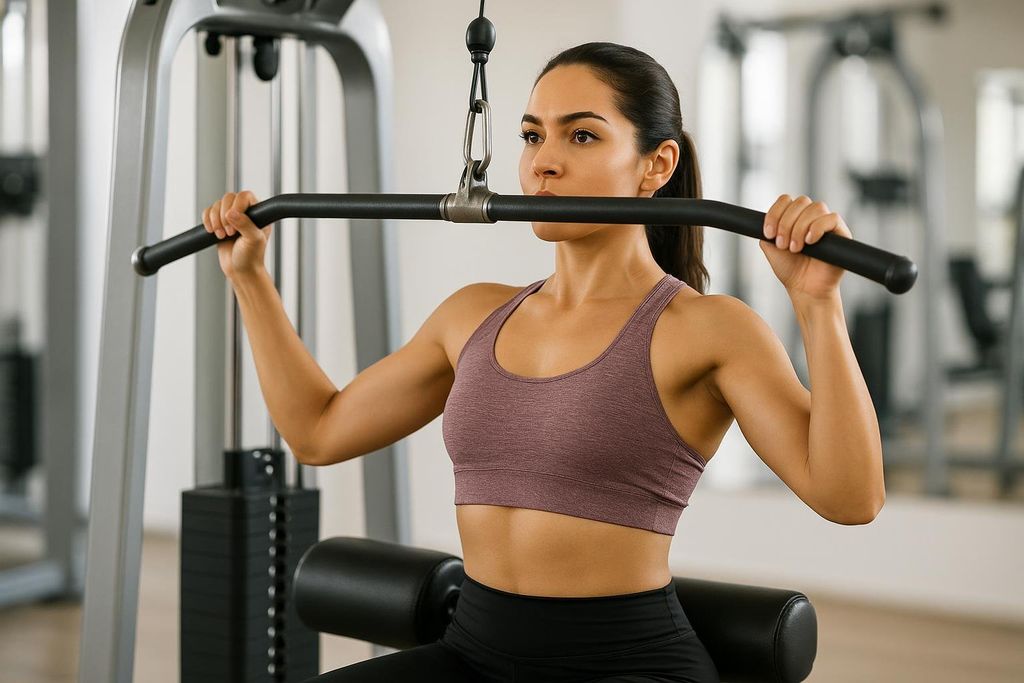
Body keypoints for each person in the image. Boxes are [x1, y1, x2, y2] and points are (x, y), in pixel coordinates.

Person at [203, 42, 884, 683]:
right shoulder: (471, 314)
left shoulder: (706, 329)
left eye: (581, 135)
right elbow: (319, 431)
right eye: (532, 136)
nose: (543, 163)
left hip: (626, 661)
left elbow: (851, 498)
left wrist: (816, 305)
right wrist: (249, 279)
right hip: (472, 651)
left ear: (657, 163)